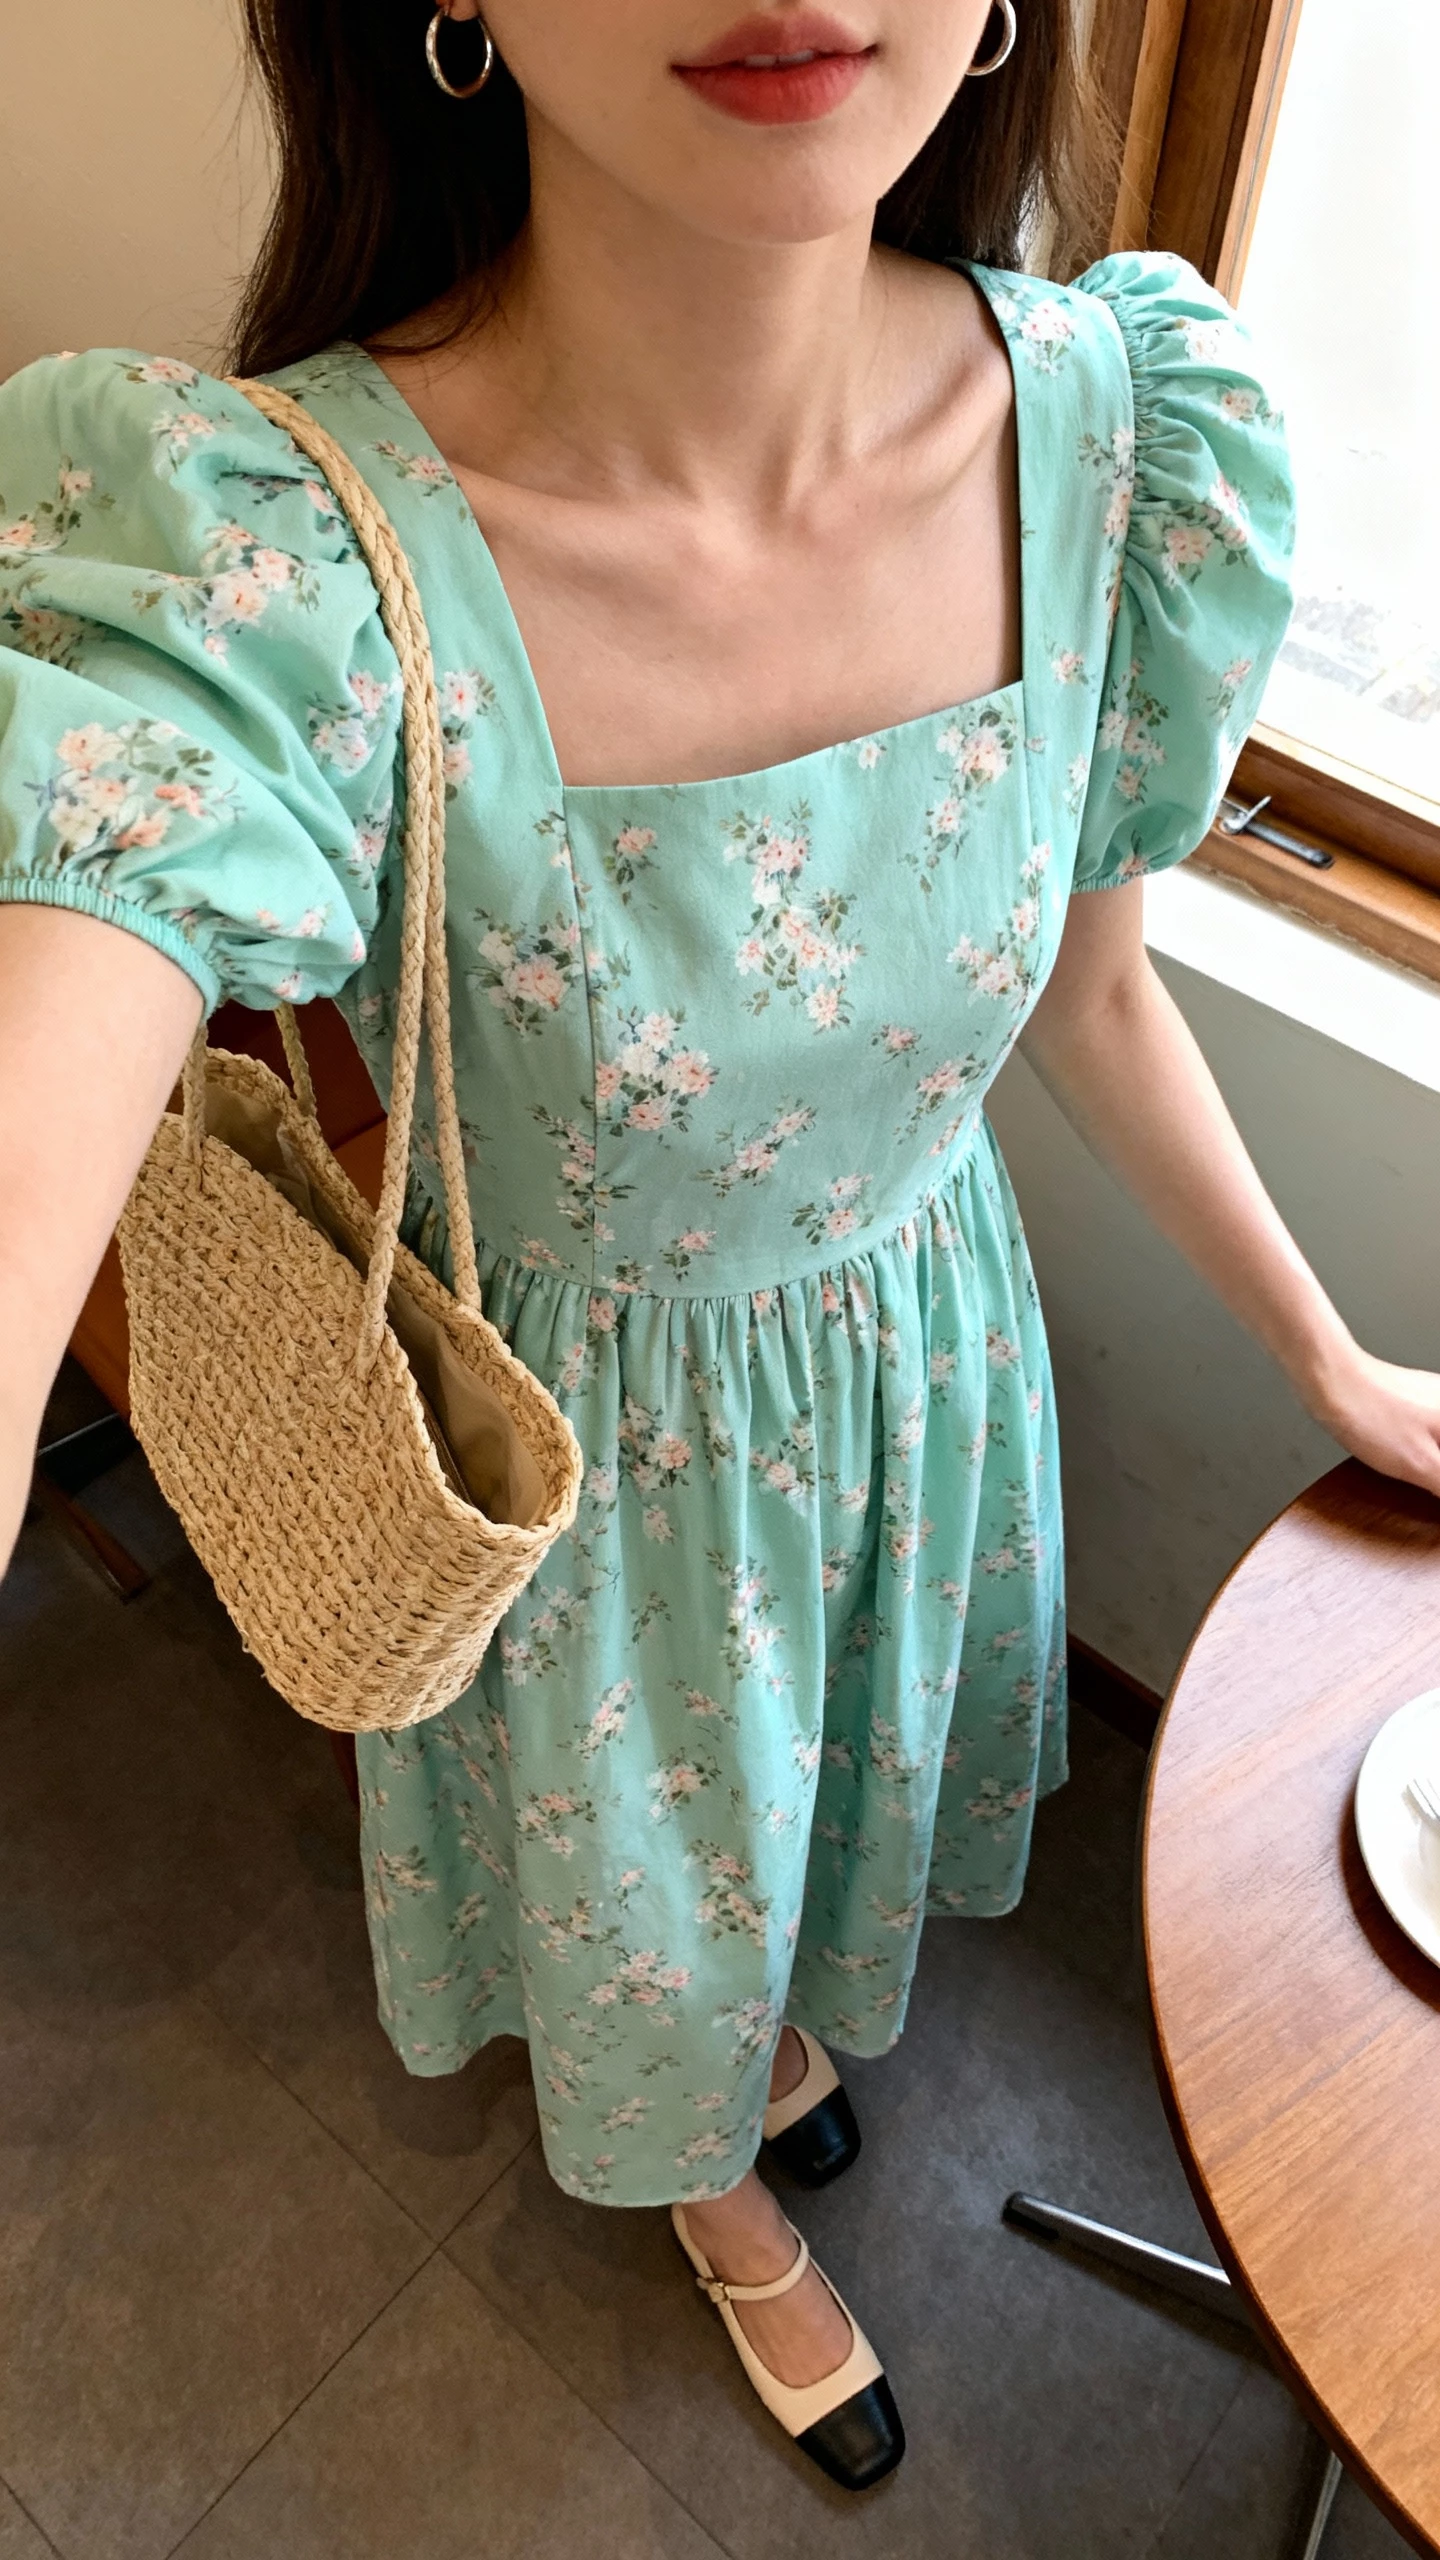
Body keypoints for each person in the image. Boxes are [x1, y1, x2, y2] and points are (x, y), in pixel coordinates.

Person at [3, 0, 1438, 2491]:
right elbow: (76, 963)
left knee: (807, 1847)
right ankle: (707, 2185)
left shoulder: (1119, 443)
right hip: (604, 1511)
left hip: (919, 1388)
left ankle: (761, 2044)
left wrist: (1325, 1349)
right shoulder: (284, 557)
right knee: (652, 1911)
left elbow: (1091, 987)